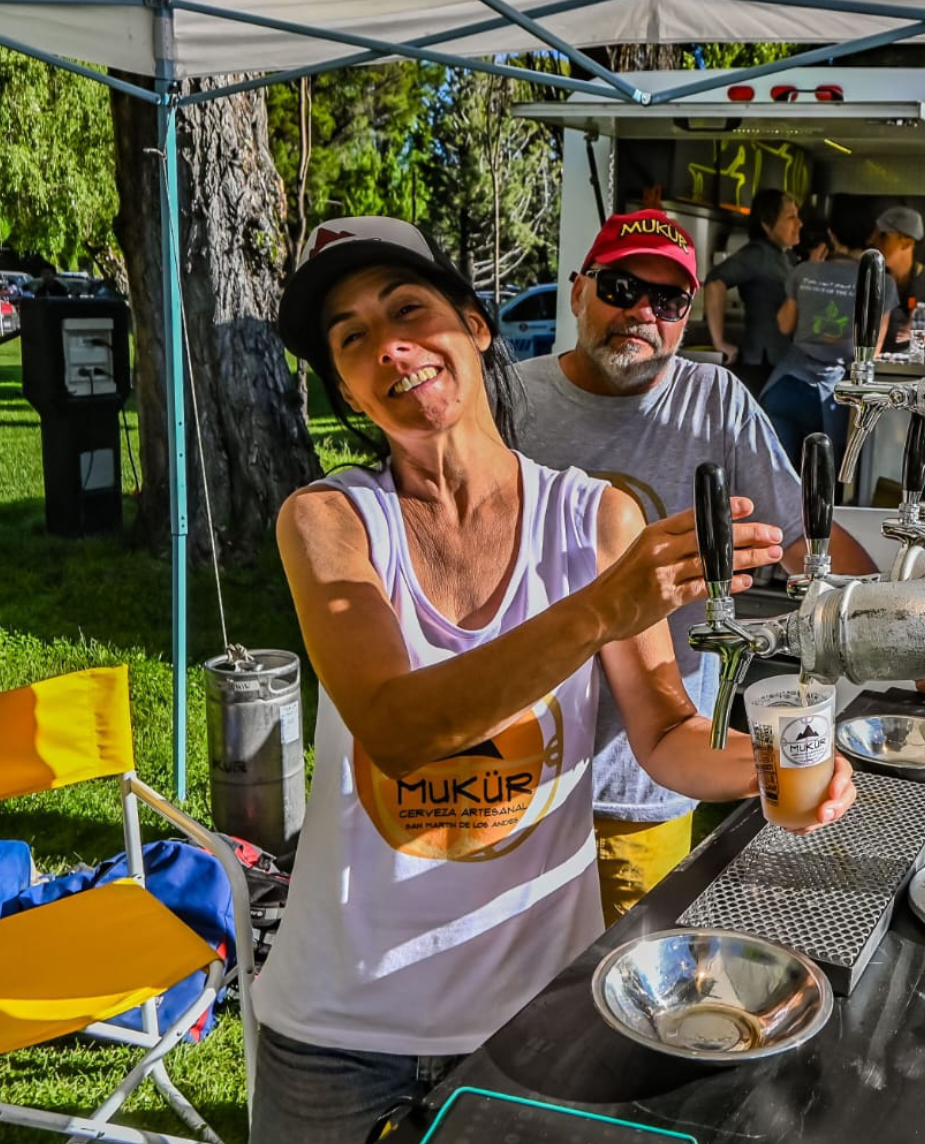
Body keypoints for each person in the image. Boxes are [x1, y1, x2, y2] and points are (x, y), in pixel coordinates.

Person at [255, 216, 855, 1144]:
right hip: (340, 1025)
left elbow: (661, 733)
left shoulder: (593, 519)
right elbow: (398, 730)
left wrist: (766, 768)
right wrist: (598, 610)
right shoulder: (331, 520)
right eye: (353, 337)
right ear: (342, 383)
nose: (391, 348)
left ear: (477, 325)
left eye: (410, 311)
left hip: (533, 1014)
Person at [513, 208, 877, 924]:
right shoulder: (514, 403)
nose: (642, 312)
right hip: (515, 775)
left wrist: (910, 637)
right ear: (578, 290)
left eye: (669, 300)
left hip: (651, 770)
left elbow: (807, 540)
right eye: (621, 288)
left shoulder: (714, 400)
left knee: (628, 978)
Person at [764, 204, 898, 468]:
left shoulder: (804, 271)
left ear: (831, 234)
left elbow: (784, 324)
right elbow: (872, 349)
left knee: (778, 479)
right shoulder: (882, 282)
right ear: (872, 235)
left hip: (786, 387)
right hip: (836, 399)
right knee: (822, 488)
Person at [703, 188, 801, 392]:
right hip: (762, 363)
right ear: (767, 224)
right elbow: (714, 281)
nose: (799, 223)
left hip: (779, 361)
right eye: (790, 217)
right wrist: (719, 341)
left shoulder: (782, 256)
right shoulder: (757, 254)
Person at [871, 205, 925, 348]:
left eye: (883, 235)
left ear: (907, 242)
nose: (873, 241)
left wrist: (915, 334)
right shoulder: (873, 277)